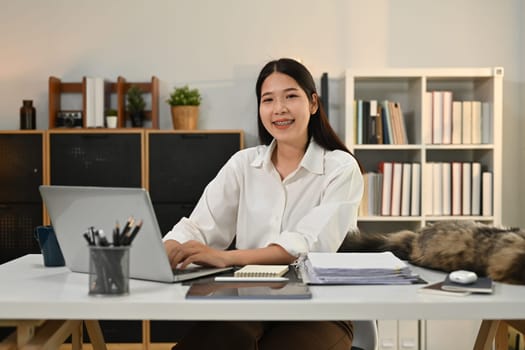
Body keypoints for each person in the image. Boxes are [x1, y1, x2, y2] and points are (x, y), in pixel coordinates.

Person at [163, 57, 364, 350]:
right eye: (268, 99)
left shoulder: (340, 167)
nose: (279, 108)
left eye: (290, 96)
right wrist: (169, 248)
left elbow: (306, 243)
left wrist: (227, 257)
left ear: (312, 103)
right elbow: (199, 226)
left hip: (320, 309)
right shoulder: (243, 164)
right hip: (250, 303)